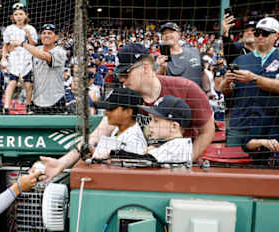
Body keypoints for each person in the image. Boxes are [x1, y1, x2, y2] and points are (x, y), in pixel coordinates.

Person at [41, 43, 214, 182]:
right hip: (137, 171)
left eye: (126, 73)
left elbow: (208, 131)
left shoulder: (185, 89)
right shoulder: (125, 96)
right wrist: (61, 163)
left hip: (178, 172)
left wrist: (185, 161)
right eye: (119, 75)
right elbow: (97, 135)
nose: (122, 79)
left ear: (146, 67)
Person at [220, 17, 279, 148]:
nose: (260, 37)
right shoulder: (241, 60)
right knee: (230, 164)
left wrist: (254, 78)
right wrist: (226, 83)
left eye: (265, 33)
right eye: (257, 33)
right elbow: (225, 90)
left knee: (265, 166)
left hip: (270, 125)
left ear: (276, 36)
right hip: (240, 122)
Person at [11, 24, 67, 114]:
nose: (46, 35)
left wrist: (22, 43)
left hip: (55, 100)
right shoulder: (36, 49)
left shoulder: (60, 52)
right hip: (37, 101)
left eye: (49, 33)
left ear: (56, 37)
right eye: (44, 33)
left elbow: (43, 55)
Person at [156, 22, 212, 95]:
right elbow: (155, 82)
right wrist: (162, 68)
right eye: (164, 33)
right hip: (177, 103)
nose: (167, 35)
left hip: (198, 100)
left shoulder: (194, 51)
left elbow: (203, 73)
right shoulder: (160, 59)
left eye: (171, 32)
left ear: (179, 34)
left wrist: (208, 91)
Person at [92, 87, 147, 160]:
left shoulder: (134, 139)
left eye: (111, 109)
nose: (106, 112)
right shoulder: (119, 129)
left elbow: (136, 168)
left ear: (128, 112)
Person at [2, 2, 37, 109]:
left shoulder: (31, 28)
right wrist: (4, 57)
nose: (18, 16)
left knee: (28, 84)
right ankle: (6, 106)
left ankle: (29, 105)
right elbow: (6, 45)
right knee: (12, 81)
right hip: (14, 59)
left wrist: (29, 36)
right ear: (13, 16)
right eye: (16, 14)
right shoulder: (9, 29)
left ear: (26, 15)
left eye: (21, 14)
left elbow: (34, 45)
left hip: (27, 59)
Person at [141, 96, 193, 163]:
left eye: (156, 121)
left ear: (174, 126)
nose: (150, 125)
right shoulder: (176, 145)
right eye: (151, 119)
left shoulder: (175, 148)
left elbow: (142, 160)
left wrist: (150, 152)